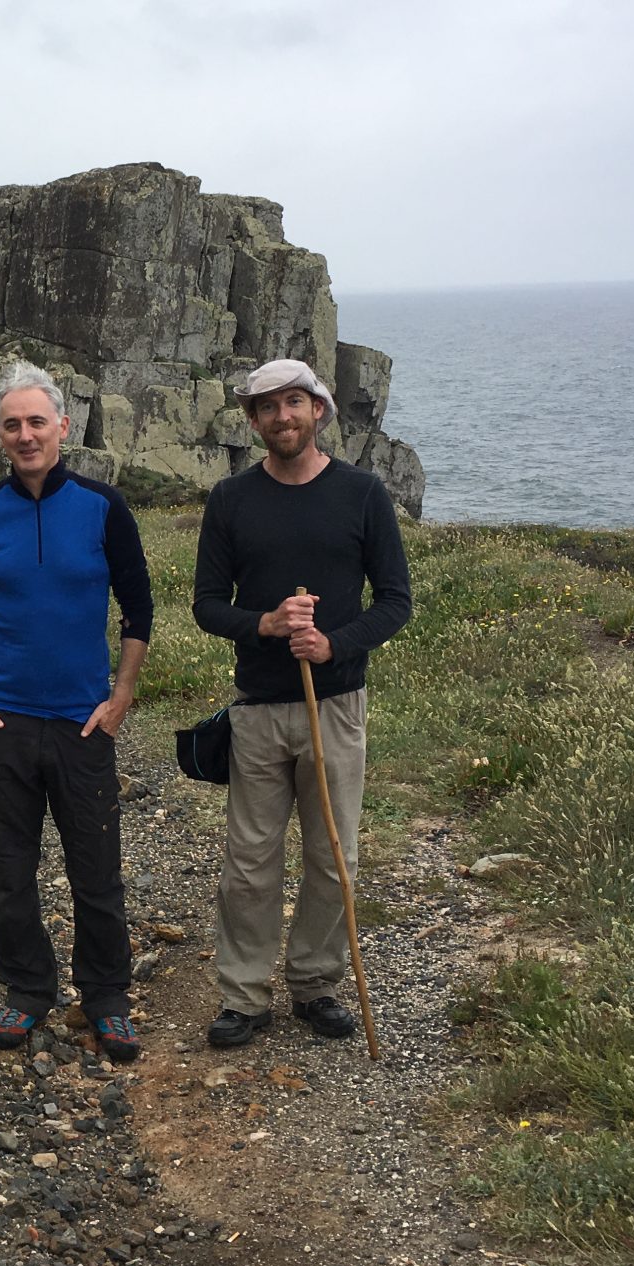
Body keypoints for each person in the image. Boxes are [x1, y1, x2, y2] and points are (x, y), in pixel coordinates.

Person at [0, 360, 154, 1063]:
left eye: (37, 421)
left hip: (83, 724)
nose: (25, 435)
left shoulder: (102, 507)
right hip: (2, 726)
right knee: (10, 872)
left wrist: (121, 696)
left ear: (63, 425)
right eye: (11, 424)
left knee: (96, 872)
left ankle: (107, 998)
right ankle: (27, 993)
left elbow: (139, 607)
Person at [191, 358, 412, 1046]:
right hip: (257, 708)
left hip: (336, 705)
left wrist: (332, 646)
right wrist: (265, 624)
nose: (282, 417)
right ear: (253, 422)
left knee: (331, 855)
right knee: (250, 860)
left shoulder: (363, 495)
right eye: (266, 407)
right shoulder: (231, 499)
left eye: (294, 402)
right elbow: (206, 604)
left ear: (319, 409)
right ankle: (245, 994)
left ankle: (316, 985)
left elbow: (396, 602)